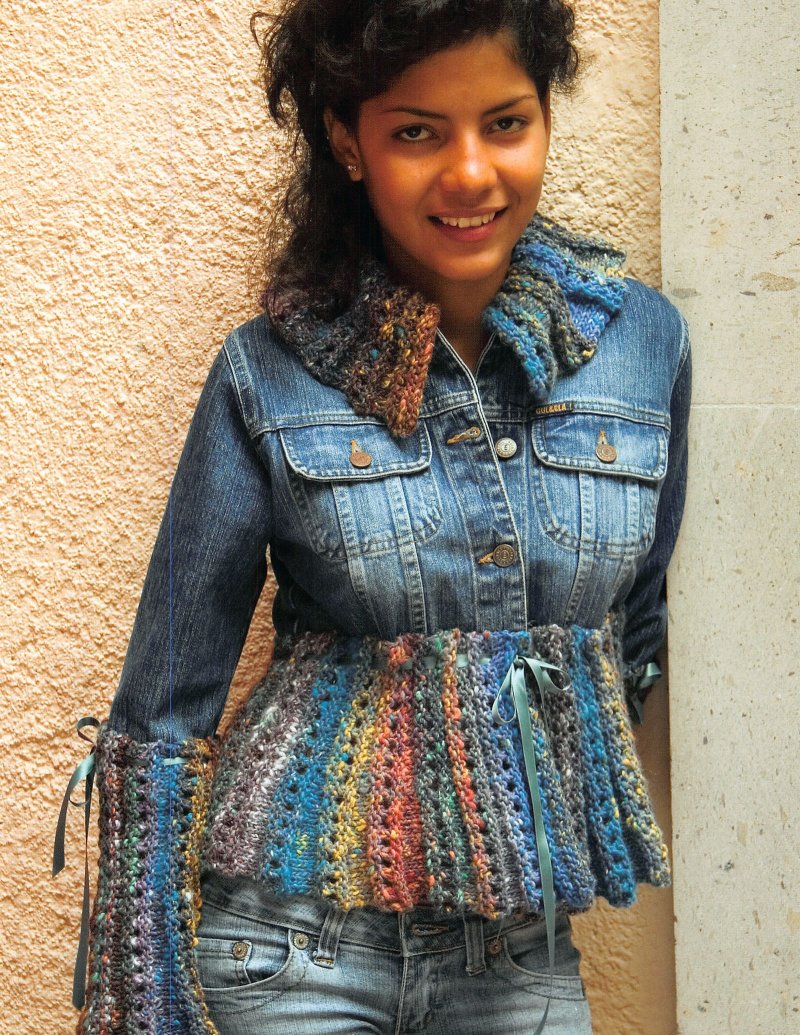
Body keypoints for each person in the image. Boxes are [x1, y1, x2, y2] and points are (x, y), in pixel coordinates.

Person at [55, 1, 691, 1033]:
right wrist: (146, 1001)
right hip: (290, 950)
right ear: (349, 142)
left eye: (505, 122)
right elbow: (164, 708)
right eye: (416, 132)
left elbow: (634, 636)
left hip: (518, 951)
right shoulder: (267, 372)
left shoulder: (642, 347)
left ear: (544, 117)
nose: (470, 173)